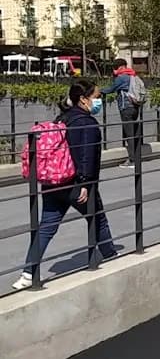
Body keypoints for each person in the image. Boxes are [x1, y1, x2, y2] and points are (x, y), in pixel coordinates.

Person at [13, 79, 118, 290]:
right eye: (96, 97)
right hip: (76, 185)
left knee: (46, 228)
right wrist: (85, 185)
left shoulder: (63, 118)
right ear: (83, 99)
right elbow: (86, 157)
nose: (99, 101)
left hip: (54, 183)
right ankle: (112, 257)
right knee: (98, 219)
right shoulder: (87, 123)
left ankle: (27, 273)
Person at [101, 58, 140, 169]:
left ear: (120, 67)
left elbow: (110, 89)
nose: (114, 70)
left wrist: (98, 91)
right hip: (135, 107)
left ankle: (132, 160)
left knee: (129, 134)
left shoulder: (121, 78)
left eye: (115, 68)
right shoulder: (132, 75)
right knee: (133, 131)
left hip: (126, 108)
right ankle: (137, 156)